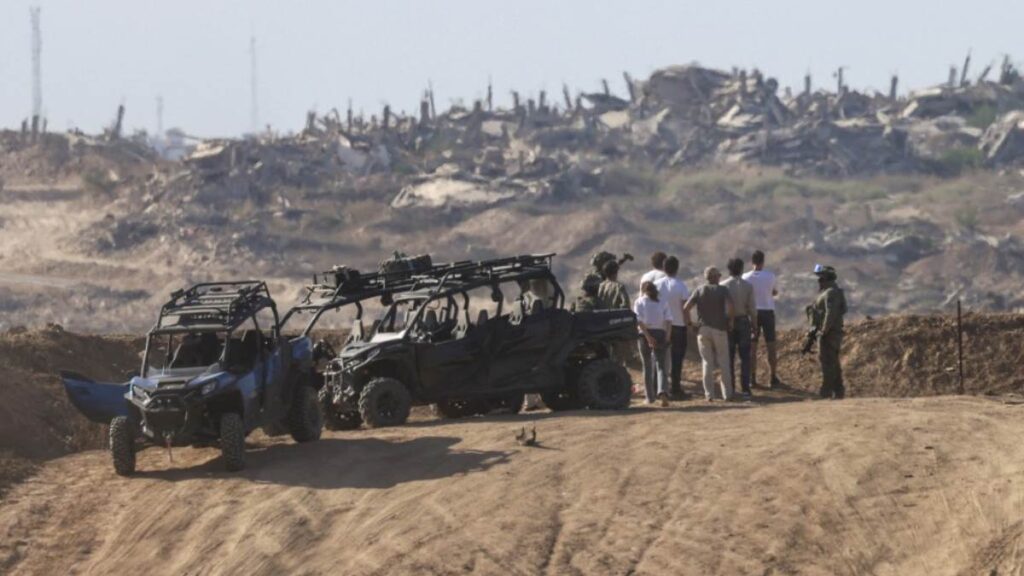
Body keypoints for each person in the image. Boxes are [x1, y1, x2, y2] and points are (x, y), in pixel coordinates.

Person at [684, 267, 735, 401]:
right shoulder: (723, 290)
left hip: (703, 329)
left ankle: (709, 395)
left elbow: (686, 308)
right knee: (724, 361)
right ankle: (727, 394)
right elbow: (730, 306)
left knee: (707, 362)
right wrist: (730, 320)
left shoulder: (699, 290)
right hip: (719, 329)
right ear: (716, 277)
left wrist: (690, 324)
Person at [807, 264, 848, 399]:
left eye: (821, 279)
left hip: (830, 334)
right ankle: (838, 391)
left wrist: (824, 331)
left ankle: (826, 392)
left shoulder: (831, 293)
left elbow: (830, 313)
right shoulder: (828, 292)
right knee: (833, 362)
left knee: (828, 363)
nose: (819, 282)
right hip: (828, 332)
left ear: (827, 278)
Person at [743, 250, 781, 389]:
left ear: (752, 262)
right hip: (768, 312)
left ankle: (752, 378)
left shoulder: (745, 277)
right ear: (763, 262)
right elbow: (773, 291)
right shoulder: (770, 276)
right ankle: (773, 377)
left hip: (753, 313)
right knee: (771, 345)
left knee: (752, 346)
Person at [654, 256, 691, 399]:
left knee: (660, 359)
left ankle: (659, 388)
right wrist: (688, 324)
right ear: (677, 268)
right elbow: (685, 307)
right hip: (678, 325)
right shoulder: (681, 285)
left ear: (664, 268)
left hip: (661, 326)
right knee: (677, 359)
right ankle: (676, 388)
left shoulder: (656, 285)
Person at [722, 258, 758, 399]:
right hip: (744, 322)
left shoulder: (723, 285)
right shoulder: (748, 286)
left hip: (728, 324)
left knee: (729, 357)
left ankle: (730, 389)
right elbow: (752, 309)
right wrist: (754, 325)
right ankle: (745, 389)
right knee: (745, 357)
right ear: (742, 269)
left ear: (729, 269)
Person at [634, 281, 672, 406]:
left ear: (643, 290)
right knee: (661, 365)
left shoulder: (639, 301)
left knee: (647, 366)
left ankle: (649, 397)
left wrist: (648, 336)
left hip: (644, 334)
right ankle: (663, 392)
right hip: (660, 333)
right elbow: (669, 320)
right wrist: (667, 336)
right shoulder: (662, 301)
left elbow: (638, 321)